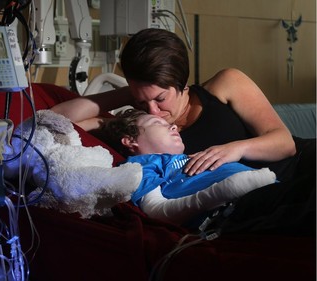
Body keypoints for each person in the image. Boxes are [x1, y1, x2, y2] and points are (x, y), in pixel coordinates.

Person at [52, 28, 315, 184]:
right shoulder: (141, 130)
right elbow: (54, 118)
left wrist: (236, 149)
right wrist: (129, 95)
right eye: (142, 101)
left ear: (181, 83)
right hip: (264, 197)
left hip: (301, 164)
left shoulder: (226, 84)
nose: (153, 111)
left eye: (161, 99)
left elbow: (285, 143)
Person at [102, 108, 276, 226]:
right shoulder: (140, 165)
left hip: (265, 188)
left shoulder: (183, 158)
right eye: (158, 123)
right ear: (130, 140)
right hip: (240, 205)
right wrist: (226, 190)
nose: (173, 125)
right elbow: (157, 210)